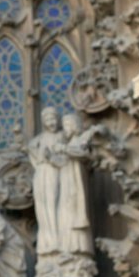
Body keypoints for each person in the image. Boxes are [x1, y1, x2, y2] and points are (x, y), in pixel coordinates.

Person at [27, 108, 93, 257]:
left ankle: (60, 243)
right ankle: (50, 243)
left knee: (63, 210)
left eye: (54, 119)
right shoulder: (39, 139)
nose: (52, 123)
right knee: (46, 209)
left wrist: (57, 154)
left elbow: (77, 154)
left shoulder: (66, 139)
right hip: (45, 174)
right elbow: (31, 149)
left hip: (62, 177)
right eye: (48, 120)